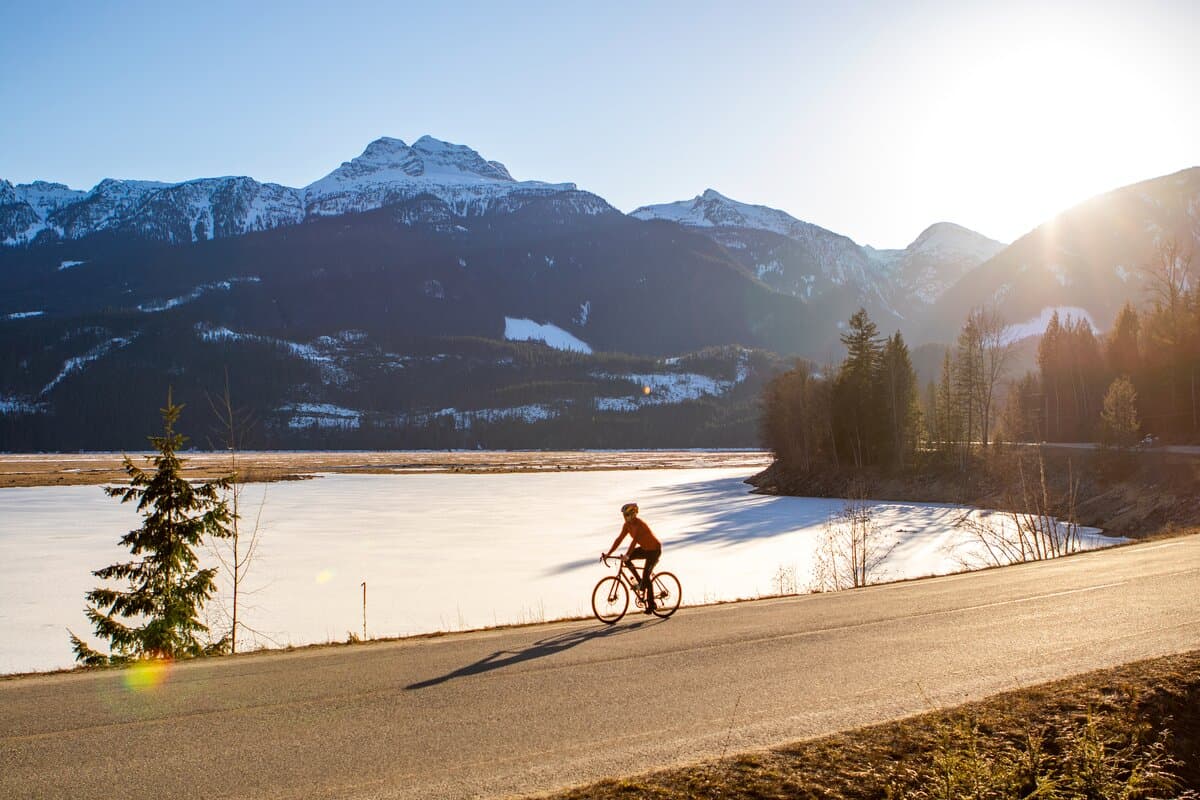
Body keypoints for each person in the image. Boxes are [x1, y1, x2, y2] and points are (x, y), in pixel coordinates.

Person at [602, 502, 662, 613]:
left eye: (627, 515)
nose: (625, 517)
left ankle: (652, 604)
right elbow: (619, 539)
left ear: (633, 514)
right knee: (628, 561)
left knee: (646, 576)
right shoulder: (627, 525)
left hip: (654, 551)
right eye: (624, 515)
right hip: (645, 549)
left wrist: (627, 555)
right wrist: (609, 554)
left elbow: (634, 542)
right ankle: (640, 582)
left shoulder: (640, 524)